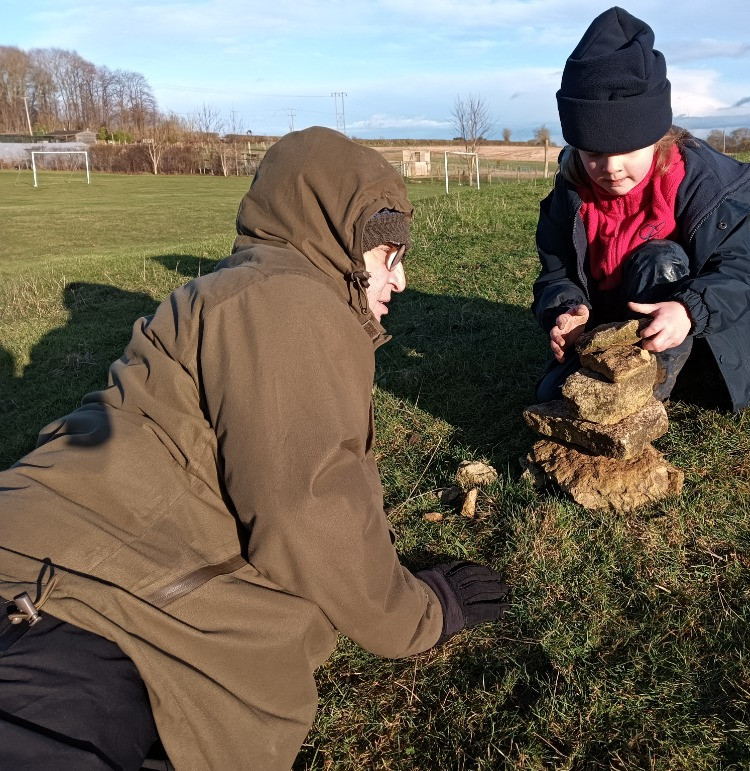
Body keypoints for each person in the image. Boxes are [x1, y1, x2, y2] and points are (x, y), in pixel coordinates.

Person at [0, 126, 508, 770]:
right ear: (341, 241)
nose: (401, 279)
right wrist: (421, 612)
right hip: (72, 607)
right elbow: (305, 504)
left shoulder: (247, 293)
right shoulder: (287, 298)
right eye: (388, 254)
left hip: (70, 577)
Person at [533, 6, 750, 412]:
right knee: (549, 395)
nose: (610, 168)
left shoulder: (702, 183)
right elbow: (555, 273)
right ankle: (616, 378)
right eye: (593, 153)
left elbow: (741, 273)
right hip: (614, 322)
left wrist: (687, 311)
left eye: (627, 150)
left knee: (660, 259)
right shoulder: (570, 190)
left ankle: (646, 389)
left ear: (657, 136)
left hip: (693, 327)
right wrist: (566, 309)